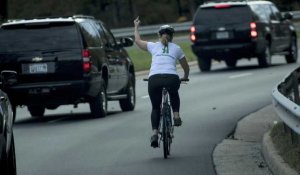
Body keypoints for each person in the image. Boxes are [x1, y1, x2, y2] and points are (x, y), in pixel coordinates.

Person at [133, 16, 190, 148]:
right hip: (171, 78)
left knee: (155, 107)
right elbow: (185, 66)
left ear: (159, 35)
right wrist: (185, 76)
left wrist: (136, 26)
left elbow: (137, 40)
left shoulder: (153, 46)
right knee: (174, 93)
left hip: (154, 79)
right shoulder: (176, 48)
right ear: (172, 36)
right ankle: (176, 115)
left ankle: (154, 133)